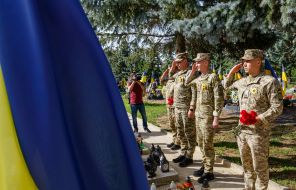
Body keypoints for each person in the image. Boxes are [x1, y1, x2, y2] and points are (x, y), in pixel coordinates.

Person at [224, 49, 283, 190]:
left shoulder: (269, 82)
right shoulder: (241, 82)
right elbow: (225, 88)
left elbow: (277, 107)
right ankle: (248, 187)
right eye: (243, 61)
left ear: (258, 61)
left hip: (258, 133)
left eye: (248, 60)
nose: (244, 63)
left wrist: (259, 118)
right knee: (247, 166)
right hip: (242, 132)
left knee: (260, 167)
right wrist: (232, 72)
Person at [186, 53, 224, 183]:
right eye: (195, 62)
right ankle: (205, 165)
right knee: (201, 142)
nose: (196, 64)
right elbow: (186, 83)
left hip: (208, 116)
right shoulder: (199, 78)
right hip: (198, 115)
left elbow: (219, 99)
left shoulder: (213, 77)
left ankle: (209, 172)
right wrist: (192, 72)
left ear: (206, 62)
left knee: (207, 144)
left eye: (198, 62)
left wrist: (216, 117)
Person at [168, 52, 196, 167]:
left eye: (179, 62)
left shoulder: (191, 73)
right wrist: (173, 65)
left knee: (189, 132)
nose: (177, 64)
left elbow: (194, 92)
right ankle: (183, 152)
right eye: (177, 62)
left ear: (185, 61)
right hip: (177, 107)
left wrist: (192, 108)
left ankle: (189, 156)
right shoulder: (178, 74)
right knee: (180, 131)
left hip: (186, 108)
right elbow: (170, 76)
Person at [160, 64, 181, 150]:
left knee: (177, 125)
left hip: (175, 106)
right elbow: (161, 80)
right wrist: (166, 71)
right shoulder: (169, 80)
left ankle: (178, 142)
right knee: (172, 124)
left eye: (172, 69)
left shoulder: (177, 79)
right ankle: (174, 140)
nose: (170, 71)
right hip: (169, 106)